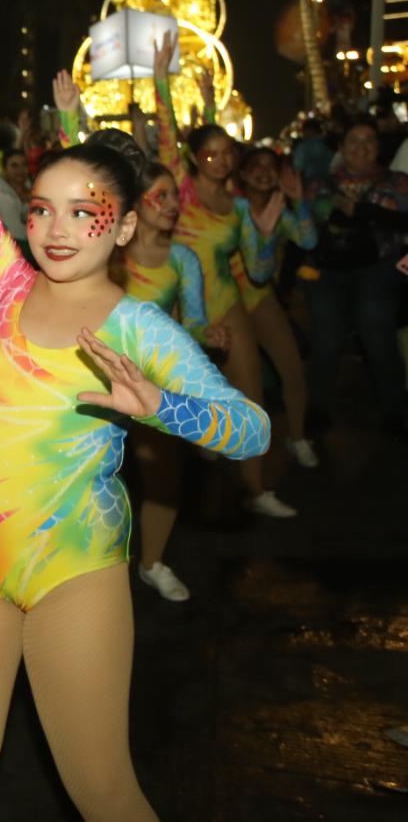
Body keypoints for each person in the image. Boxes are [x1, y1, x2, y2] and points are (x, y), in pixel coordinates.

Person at [0, 0, 269, 820]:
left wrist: (164, 408)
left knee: (103, 790)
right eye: (41, 210)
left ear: (121, 230)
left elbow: (251, 428)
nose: (56, 229)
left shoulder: (137, 327)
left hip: (71, 566)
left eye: (87, 213)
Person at [151, 33, 291, 517]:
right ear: (194, 159)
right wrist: (161, 79)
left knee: (250, 395)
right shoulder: (180, 192)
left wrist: (267, 232)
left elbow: (255, 269)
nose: (222, 159)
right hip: (181, 310)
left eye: (227, 153)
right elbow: (168, 133)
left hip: (228, 306)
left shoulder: (236, 208)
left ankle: (257, 488)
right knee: (180, 407)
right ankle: (179, 493)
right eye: (210, 153)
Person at [113, 158, 225, 602]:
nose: (174, 204)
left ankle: (152, 563)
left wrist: (208, 333)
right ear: (138, 203)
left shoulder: (182, 259)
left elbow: (193, 320)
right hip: (99, 381)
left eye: (176, 194)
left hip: (152, 387)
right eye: (162, 195)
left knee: (163, 477)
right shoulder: (110, 254)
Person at [303, 118, 408, 432]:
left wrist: (365, 212)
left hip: (378, 269)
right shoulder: (319, 184)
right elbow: (303, 228)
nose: (362, 148)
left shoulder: (398, 182)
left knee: (378, 337)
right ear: (341, 146)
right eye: (354, 141)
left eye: (370, 141)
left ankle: (394, 412)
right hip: (327, 271)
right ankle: (317, 408)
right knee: (326, 339)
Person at [234, 146, 320, 465]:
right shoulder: (233, 209)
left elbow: (309, 241)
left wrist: (298, 200)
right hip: (225, 303)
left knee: (293, 370)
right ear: (242, 173)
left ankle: (296, 436)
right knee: (237, 383)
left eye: (271, 166)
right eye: (255, 165)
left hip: (260, 299)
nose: (264, 171)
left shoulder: (281, 211)